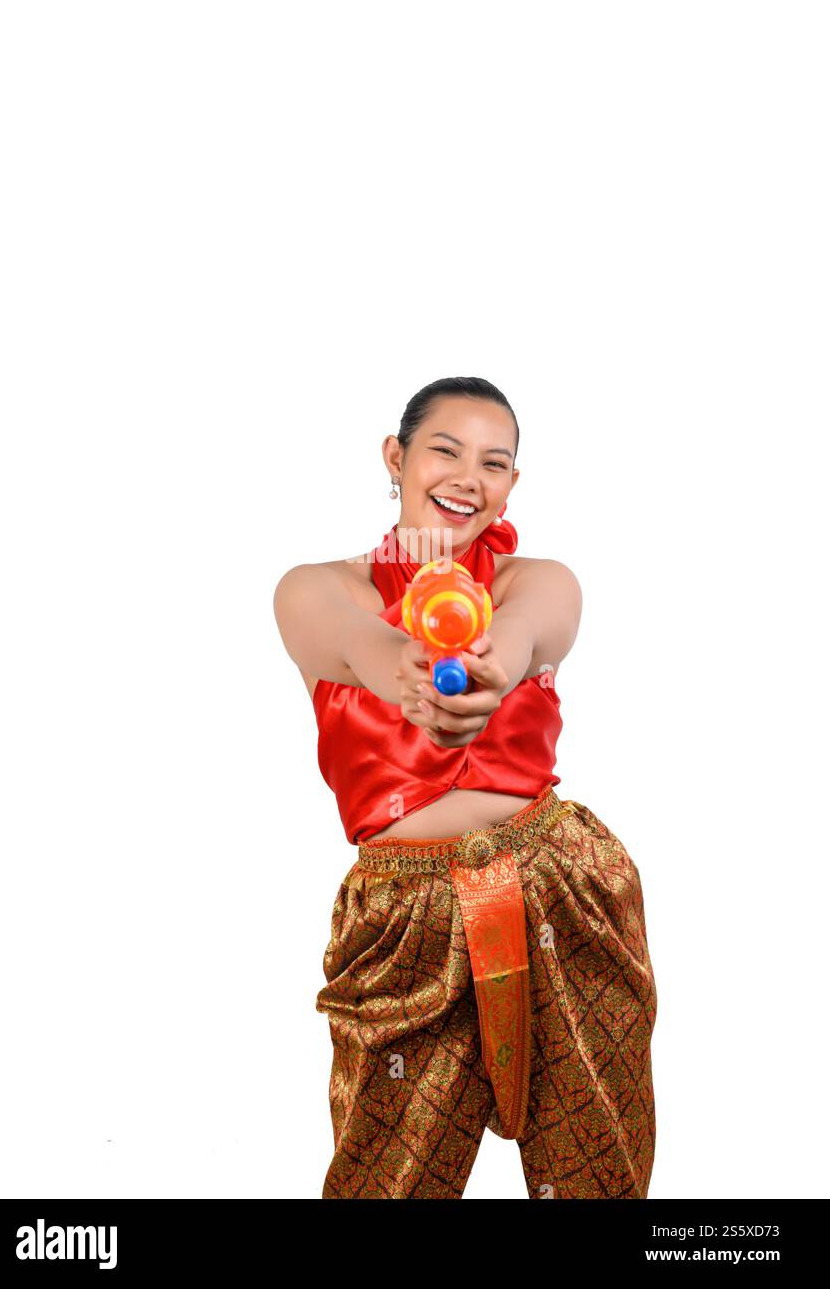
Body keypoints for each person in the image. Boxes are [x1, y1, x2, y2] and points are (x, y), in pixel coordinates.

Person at [273, 376, 658, 1199]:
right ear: (396, 457)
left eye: (494, 462)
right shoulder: (317, 588)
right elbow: (357, 646)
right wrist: (403, 675)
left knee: (598, 1170)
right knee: (388, 1179)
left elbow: (523, 635)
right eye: (444, 449)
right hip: (406, 919)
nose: (467, 475)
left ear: (511, 484)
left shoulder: (537, 581)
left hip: (563, 886)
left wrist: (495, 668)